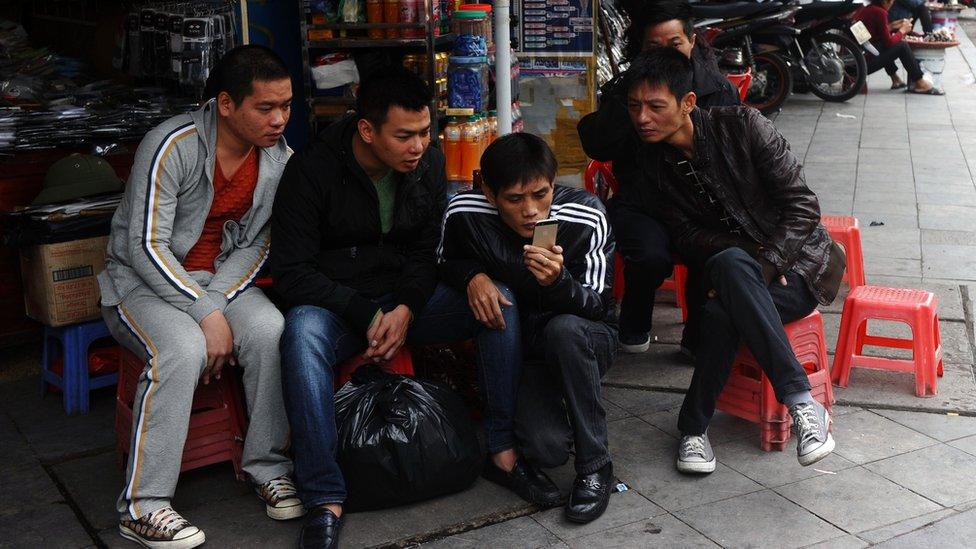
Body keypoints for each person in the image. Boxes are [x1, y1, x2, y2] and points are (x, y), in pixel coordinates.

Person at [271, 71, 545, 549]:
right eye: (404, 136)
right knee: (299, 335)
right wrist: (363, 312)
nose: (418, 146)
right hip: (337, 305)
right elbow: (293, 272)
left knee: (498, 302)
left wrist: (406, 308)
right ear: (367, 130)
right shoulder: (310, 171)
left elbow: (425, 254)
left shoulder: (430, 166)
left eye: (424, 133)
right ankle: (324, 496)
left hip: (406, 301)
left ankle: (502, 451)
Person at [97, 45, 298, 549]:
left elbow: (257, 243)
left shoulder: (278, 159)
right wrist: (205, 312)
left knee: (272, 330)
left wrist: (213, 299)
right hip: (139, 283)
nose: (279, 119)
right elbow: (145, 245)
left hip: (216, 282)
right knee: (182, 349)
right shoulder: (172, 143)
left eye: (287, 106)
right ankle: (143, 507)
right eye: (266, 108)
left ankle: (267, 467)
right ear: (226, 104)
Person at [621, 47, 845, 474]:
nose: (642, 118)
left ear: (687, 103)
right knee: (727, 271)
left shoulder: (743, 126)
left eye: (655, 106)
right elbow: (685, 235)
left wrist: (768, 262)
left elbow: (801, 205)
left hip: (800, 267)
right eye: (635, 107)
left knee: (724, 308)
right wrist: (748, 261)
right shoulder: (652, 164)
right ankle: (802, 403)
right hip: (742, 272)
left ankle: (693, 430)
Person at [438, 133, 618, 524]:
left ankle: (596, 464)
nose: (531, 211)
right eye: (514, 199)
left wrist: (559, 283)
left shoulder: (585, 214)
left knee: (566, 330)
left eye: (541, 194)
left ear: (554, 183)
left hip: (584, 337)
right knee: (547, 450)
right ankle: (546, 415)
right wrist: (472, 276)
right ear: (488, 191)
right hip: (527, 352)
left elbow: (600, 307)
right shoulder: (465, 212)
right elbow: (444, 261)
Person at [578, 0, 739, 356]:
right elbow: (598, 144)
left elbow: (737, 157)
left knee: (710, 250)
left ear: (692, 41)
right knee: (648, 255)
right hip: (641, 202)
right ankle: (634, 323)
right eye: (655, 47)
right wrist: (633, 101)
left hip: (701, 204)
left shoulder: (718, 90)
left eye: (675, 45)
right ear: (641, 46)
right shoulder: (629, 90)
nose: (666, 55)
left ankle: (699, 337)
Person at [856, 0, 942, 94]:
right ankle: (920, 82)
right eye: (892, 1)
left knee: (889, 43)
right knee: (902, 46)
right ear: (885, 1)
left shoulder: (868, 9)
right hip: (861, 64)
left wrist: (893, 26)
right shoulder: (880, 12)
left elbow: (875, 36)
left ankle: (896, 80)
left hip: (860, 59)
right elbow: (888, 42)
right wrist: (902, 31)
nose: (892, 3)